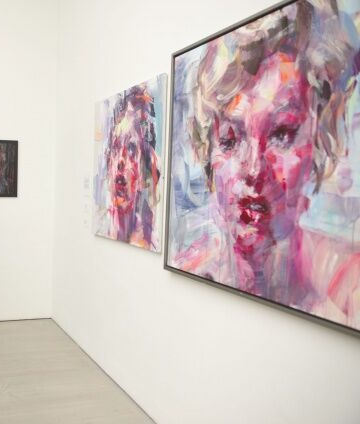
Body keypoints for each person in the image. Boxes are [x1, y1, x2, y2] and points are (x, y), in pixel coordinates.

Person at [168, 0, 360, 327]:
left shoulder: (348, 290)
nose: (254, 169)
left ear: (320, 141)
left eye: (282, 134)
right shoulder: (191, 267)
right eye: (230, 140)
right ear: (208, 152)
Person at [93, 82, 163, 250]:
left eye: (131, 149)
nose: (120, 161)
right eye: (116, 147)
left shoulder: (149, 242)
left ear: (145, 168)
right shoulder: (102, 224)